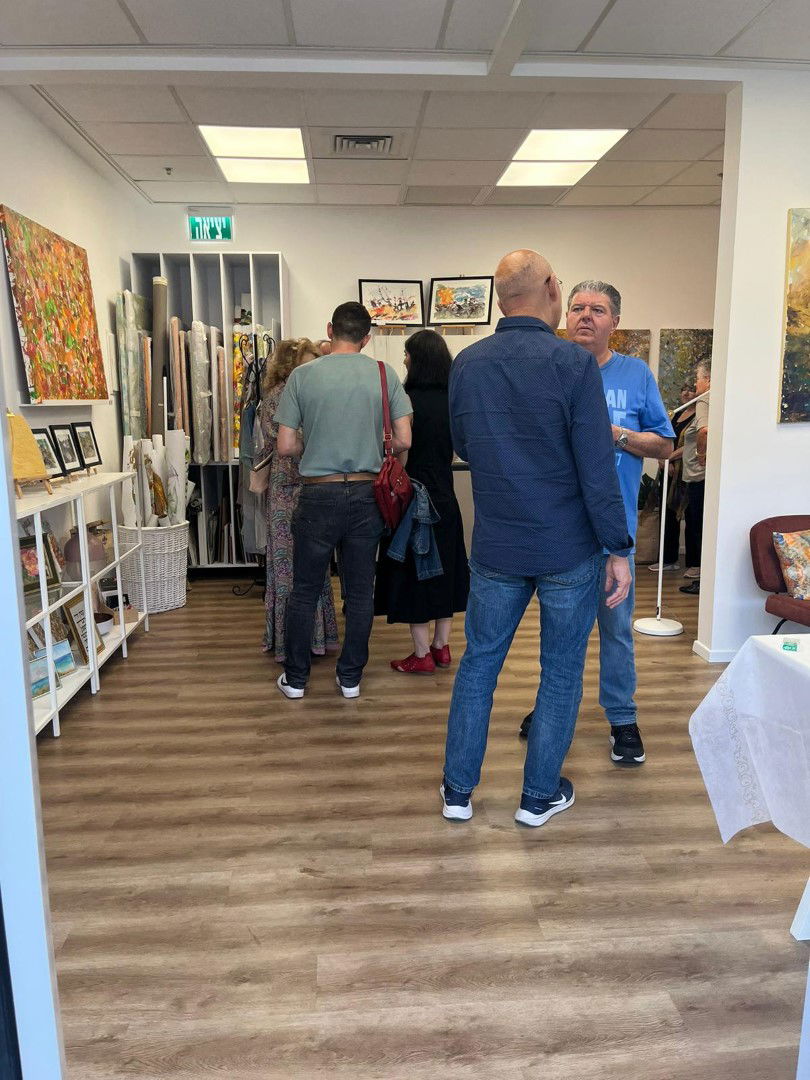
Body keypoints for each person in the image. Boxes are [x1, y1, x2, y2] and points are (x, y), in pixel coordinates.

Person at [441, 250, 633, 828]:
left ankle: (457, 792)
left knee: (479, 665)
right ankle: (537, 796)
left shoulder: (467, 363)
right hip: (567, 547)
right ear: (551, 287)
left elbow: (464, 445)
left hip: (497, 543)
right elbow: (596, 466)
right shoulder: (573, 364)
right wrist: (618, 547)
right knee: (561, 671)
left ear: (499, 297)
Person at [519, 281, 674, 766]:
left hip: (614, 532)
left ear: (615, 323)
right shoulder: (548, 368)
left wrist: (615, 435)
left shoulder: (635, 374)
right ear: (565, 316)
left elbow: (666, 445)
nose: (585, 315)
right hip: (559, 529)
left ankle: (622, 718)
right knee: (557, 632)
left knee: (616, 631)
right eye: (578, 307)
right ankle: (549, 708)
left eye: (598, 309)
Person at [274, 301, 412, 699]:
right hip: (368, 496)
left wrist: (315, 444)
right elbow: (404, 439)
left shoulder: (302, 376)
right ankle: (350, 678)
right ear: (367, 338)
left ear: (330, 329)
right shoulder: (385, 374)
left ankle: (296, 680)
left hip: (319, 493)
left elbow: (285, 446)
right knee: (360, 591)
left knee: (304, 589)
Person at [375, 330, 469, 673]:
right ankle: (441, 647)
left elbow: (402, 451)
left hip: (414, 496)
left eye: (407, 354)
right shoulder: (454, 398)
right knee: (447, 569)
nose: (404, 359)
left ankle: (420, 653)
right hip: (446, 493)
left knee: (416, 572)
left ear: (418, 360)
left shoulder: (406, 399)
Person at [257, 337, 339, 663]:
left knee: (310, 563)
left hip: (308, 485)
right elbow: (288, 442)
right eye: (306, 365)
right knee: (291, 566)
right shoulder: (278, 398)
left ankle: (313, 637)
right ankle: (295, 641)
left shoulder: (308, 395)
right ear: (289, 368)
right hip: (288, 488)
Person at [649, 379, 695, 572]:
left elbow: (691, 444)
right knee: (666, 514)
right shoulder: (675, 414)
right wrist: (662, 459)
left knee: (688, 516)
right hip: (667, 470)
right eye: (684, 389)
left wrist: (670, 457)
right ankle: (667, 559)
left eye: (691, 389)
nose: (686, 393)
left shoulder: (699, 417)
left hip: (684, 472)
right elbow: (663, 439)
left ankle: (694, 563)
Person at [679, 360, 711, 596]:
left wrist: (701, 455)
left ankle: (702, 581)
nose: (696, 384)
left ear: (707, 379)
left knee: (699, 527)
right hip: (698, 477)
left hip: (700, 477)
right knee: (697, 525)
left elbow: (704, 430)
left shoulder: (704, 400)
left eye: (698, 379)